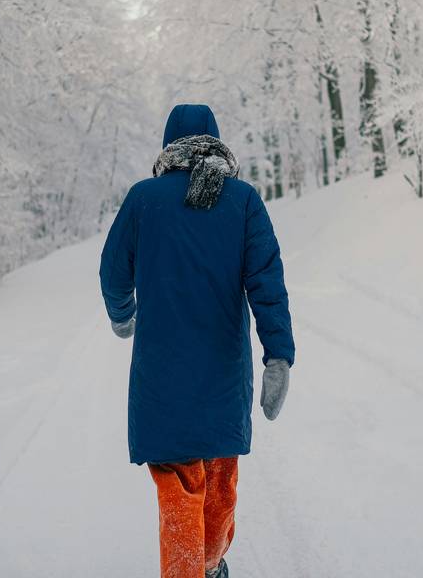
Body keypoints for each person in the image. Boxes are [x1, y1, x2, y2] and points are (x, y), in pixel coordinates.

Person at [99, 104, 295, 578]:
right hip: (224, 378)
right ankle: (207, 566)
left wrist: (124, 316)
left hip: (161, 378)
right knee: (221, 479)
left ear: (169, 147)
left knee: (180, 487)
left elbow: (112, 272)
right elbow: (267, 283)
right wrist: (278, 356)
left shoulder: (143, 199)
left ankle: (192, 570)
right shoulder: (244, 200)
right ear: (217, 143)